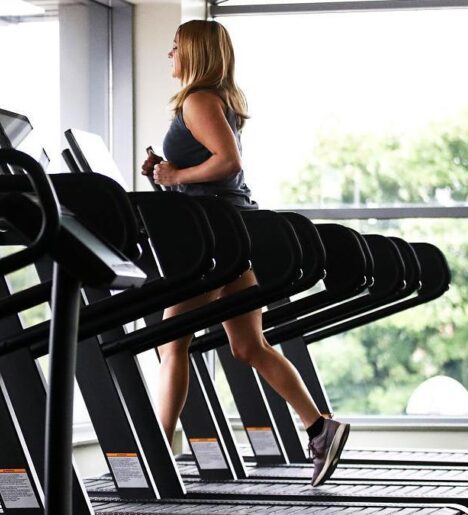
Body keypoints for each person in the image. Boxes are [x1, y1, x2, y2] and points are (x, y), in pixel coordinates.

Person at [140, 19, 349, 487]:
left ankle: (155, 455)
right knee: (247, 345)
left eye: (175, 49)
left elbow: (228, 162)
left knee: (171, 343)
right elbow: (214, 162)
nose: (170, 56)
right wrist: (168, 171)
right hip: (231, 230)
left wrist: (173, 178)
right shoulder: (216, 100)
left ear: (194, 53)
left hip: (214, 236)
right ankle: (320, 428)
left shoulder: (198, 100)